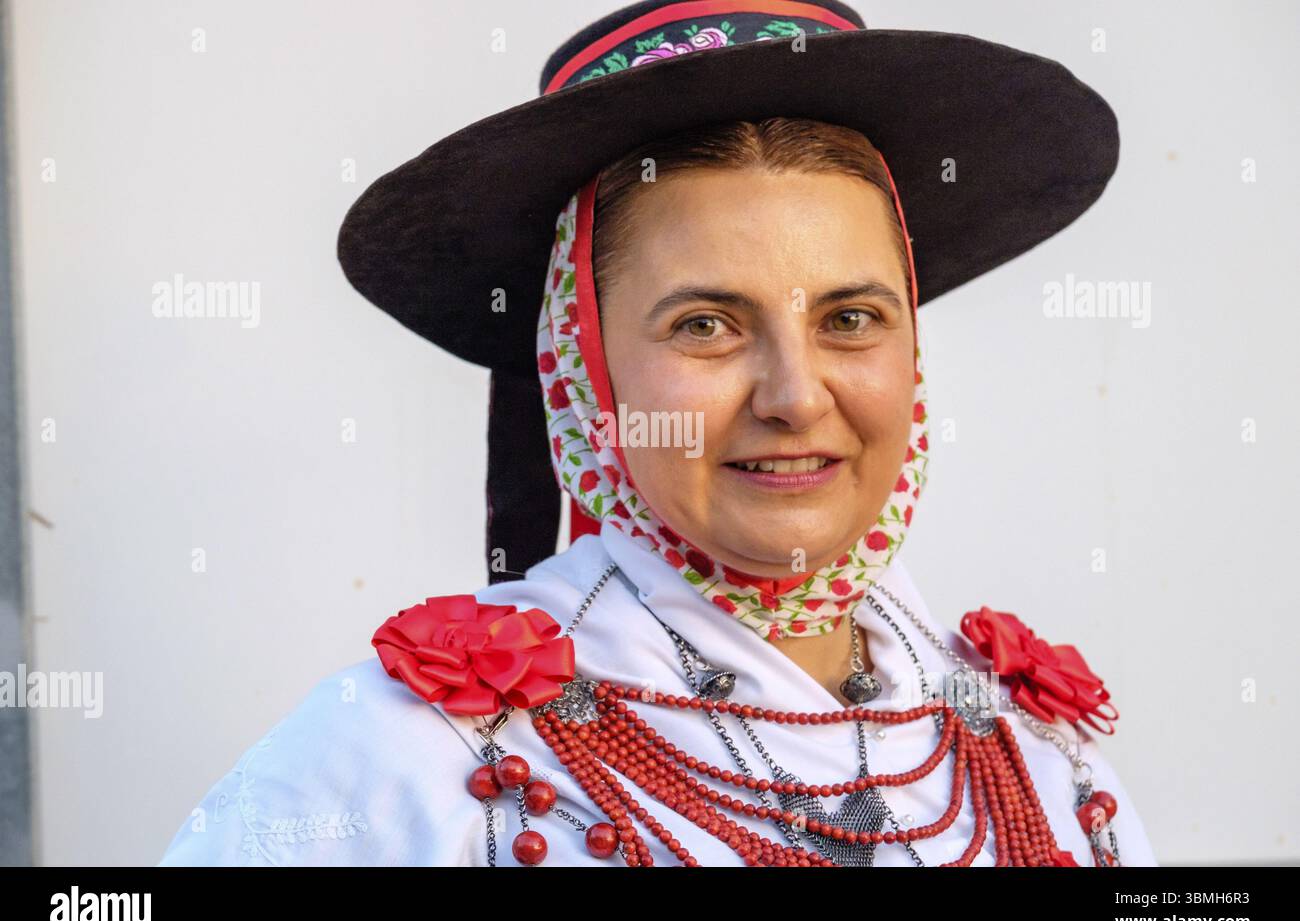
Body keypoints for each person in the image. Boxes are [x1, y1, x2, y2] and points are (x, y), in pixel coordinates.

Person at [159, 0, 1155, 866]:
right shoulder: (407, 755)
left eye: (850, 317)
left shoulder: (1031, 746)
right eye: (705, 324)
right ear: (583, 367)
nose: (794, 395)